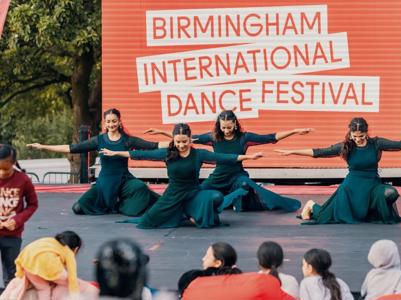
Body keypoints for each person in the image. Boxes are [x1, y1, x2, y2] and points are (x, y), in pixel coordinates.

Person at [276, 117, 401, 224]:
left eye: (361, 136)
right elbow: (319, 152)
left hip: (372, 185)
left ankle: (374, 212)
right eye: (355, 136)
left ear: (366, 133)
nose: (358, 139)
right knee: (326, 217)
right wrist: (292, 151)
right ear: (350, 134)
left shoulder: (376, 143)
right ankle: (312, 206)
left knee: (390, 193)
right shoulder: (346, 146)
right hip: (350, 188)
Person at [102, 123, 263, 229]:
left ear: (190, 139)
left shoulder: (199, 154)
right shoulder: (167, 153)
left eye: (184, 141)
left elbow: (223, 157)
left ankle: (191, 213)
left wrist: (248, 157)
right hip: (173, 195)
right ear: (173, 140)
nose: (181, 145)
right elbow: (140, 155)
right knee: (146, 223)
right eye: (178, 142)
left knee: (216, 196)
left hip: (193, 193)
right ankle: (184, 214)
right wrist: (116, 152)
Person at [144, 110, 309, 212]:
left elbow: (270, 137)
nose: (226, 130)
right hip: (218, 177)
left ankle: (239, 203)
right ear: (219, 125)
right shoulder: (213, 137)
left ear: (235, 124)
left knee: (245, 184)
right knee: (197, 192)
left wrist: (294, 131)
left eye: (229, 127)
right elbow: (186, 139)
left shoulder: (245, 138)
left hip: (237, 176)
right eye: (223, 127)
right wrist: (162, 132)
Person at [27, 108, 166, 216]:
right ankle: (113, 203)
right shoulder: (99, 140)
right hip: (105, 182)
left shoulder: (128, 140)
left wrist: (179, 141)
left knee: (140, 188)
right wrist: (43, 146)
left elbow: (155, 146)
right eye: (108, 121)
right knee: (78, 208)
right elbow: (72, 148)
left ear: (119, 122)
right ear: (105, 123)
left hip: (124, 180)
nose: (111, 124)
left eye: (114, 121)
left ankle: (125, 205)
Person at [12, 231, 98, 300]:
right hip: (48, 264)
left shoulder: (49, 240)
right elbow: (72, 278)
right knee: (66, 282)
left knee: (43, 289)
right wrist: (75, 295)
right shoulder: (68, 252)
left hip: (27, 263)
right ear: (75, 249)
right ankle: (56, 297)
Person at [0, 144, 38, 289]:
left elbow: (33, 204)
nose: (2, 173)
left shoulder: (23, 180)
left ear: (13, 163)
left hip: (12, 234)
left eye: (6, 169)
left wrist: (17, 220)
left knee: (12, 273)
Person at [178, 242, 242, 297]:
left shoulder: (192, 277)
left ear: (217, 263)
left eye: (207, 256)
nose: (203, 259)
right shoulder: (239, 281)